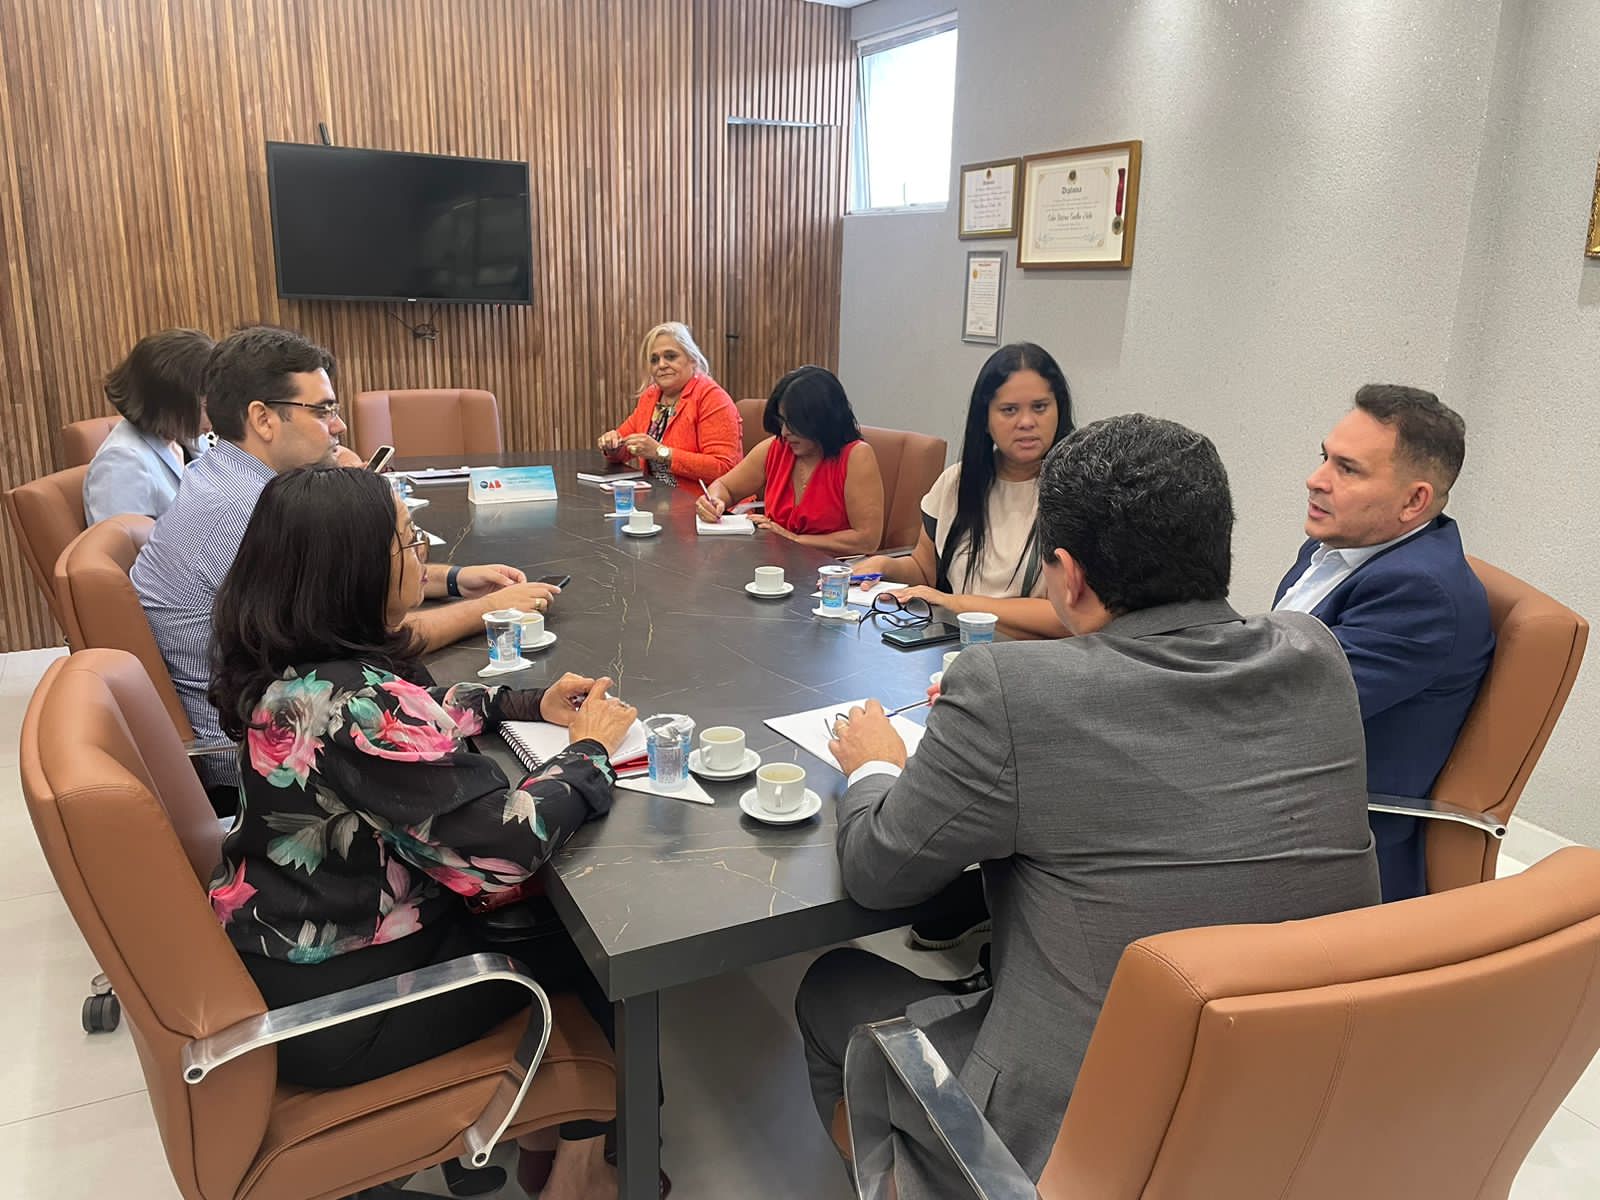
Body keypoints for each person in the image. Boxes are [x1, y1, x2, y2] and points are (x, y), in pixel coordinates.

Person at [795, 414, 1380, 1195]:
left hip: (1082, 1139)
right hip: (1289, 1109)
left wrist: (874, 767)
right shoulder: (1317, 654)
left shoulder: (1011, 691)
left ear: (1067, 576)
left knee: (832, 986)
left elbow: (878, 874)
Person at [206, 466, 637, 1200]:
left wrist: (522, 701)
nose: (421, 554)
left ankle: (542, 1136)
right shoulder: (356, 706)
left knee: (546, 926)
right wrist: (590, 751)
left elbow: (414, 710)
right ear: (358, 572)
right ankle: (579, 1174)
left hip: (291, 951)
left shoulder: (297, 669)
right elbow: (505, 849)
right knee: (589, 947)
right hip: (346, 1010)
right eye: (409, 543)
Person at [133, 325, 557, 806]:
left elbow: (341, 571)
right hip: (269, 762)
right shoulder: (244, 512)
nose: (338, 426)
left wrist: (455, 579)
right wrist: (492, 609)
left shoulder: (224, 477)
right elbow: (370, 635)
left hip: (284, 714)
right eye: (323, 410)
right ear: (263, 418)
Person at [1275, 384, 1494, 902]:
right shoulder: (1335, 545)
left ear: (1414, 501)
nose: (1315, 480)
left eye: (1347, 469)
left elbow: (1282, 708)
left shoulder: (1419, 594)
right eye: (1325, 458)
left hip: (1334, 842)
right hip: (1283, 790)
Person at [695, 366, 884, 556]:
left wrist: (793, 539)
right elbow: (725, 487)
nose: (785, 432)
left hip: (832, 569)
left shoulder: (856, 456)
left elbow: (866, 541)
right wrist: (714, 501)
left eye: (794, 423)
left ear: (822, 421)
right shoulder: (776, 448)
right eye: (782, 422)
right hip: (777, 563)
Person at [83, 328, 215, 524]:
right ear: (169, 401)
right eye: (206, 406)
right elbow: (124, 542)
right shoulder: (120, 464)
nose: (216, 416)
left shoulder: (185, 437)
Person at [596, 321, 741, 486]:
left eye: (671, 356)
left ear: (692, 359)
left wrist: (661, 452)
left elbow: (723, 468)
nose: (662, 365)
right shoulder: (651, 396)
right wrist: (613, 446)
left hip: (703, 499)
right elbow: (625, 447)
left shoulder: (712, 398)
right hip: (656, 495)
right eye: (654, 360)